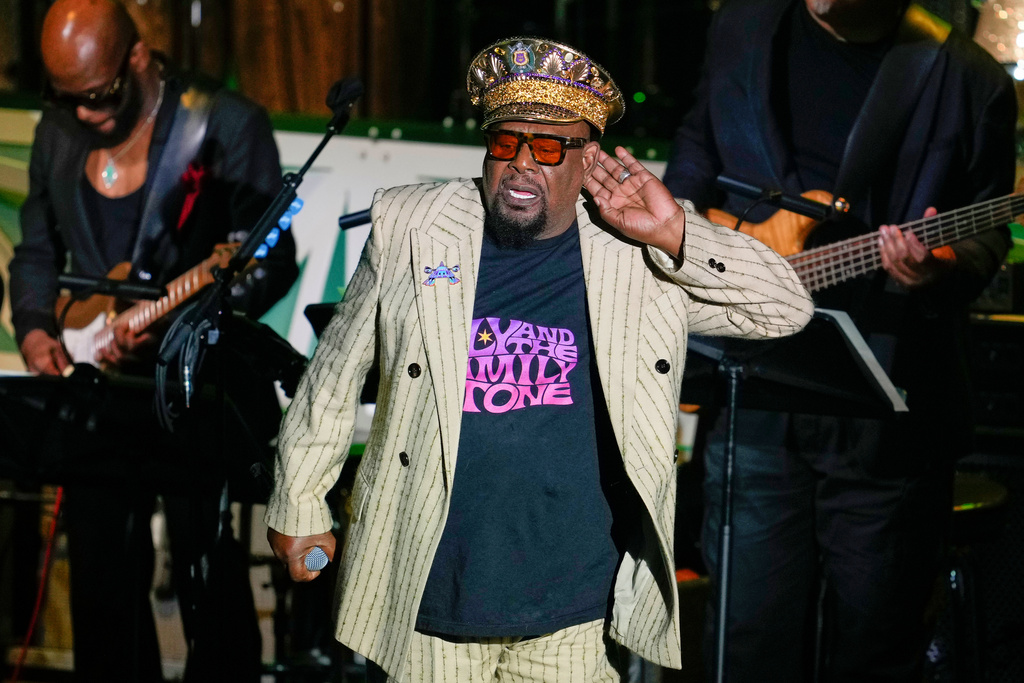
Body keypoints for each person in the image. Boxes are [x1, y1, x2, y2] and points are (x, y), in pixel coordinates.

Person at [266, 36, 813, 682]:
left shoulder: (633, 254)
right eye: (506, 141)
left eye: (549, 147)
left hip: (574, 609)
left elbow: (785, 308)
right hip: (432, 596)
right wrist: (300, 501)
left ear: (588, 159)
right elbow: (333, 373)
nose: (522, 163)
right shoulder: (411, 226)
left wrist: (675, 233)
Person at [662, 1, 1016, 681]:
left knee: (873, 648)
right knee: (748, 639)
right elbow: (698, 145)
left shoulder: (967, 77)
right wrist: (681, 237)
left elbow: (987, 227)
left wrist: (939, 267)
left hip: (886, 407)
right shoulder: (742, 25)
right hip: (755, 393)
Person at [8, 0, 298, 679]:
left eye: (99, 95)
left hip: (193, 391)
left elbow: (268, 259)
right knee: (102, 580)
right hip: (95, 391)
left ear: (137, 57)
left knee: (207, 573)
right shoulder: (58, 129)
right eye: (66, 98)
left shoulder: (224, 124)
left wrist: (180, 329)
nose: (83, 114)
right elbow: (37, 248)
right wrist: (35, 326)